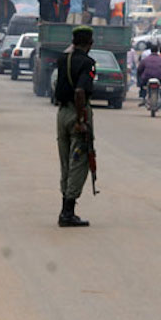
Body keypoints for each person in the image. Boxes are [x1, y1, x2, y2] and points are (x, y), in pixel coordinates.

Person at [54, 26, 96, 227]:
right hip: (77, 113)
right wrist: (81, 121)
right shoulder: (88, 63)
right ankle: (67, 212)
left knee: (65, 163)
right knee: (79, 162)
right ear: (90, 43)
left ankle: (65, 206)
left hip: (62, 114)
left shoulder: (63, 59)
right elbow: (80, 91)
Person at [137, 44, 161, 109]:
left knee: (142, 85)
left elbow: (139, 70)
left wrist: (141, 76)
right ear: (157, 51)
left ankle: (143, 97)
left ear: (151, 51)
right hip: (160, 77)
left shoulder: (145, 60)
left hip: (147, 77)